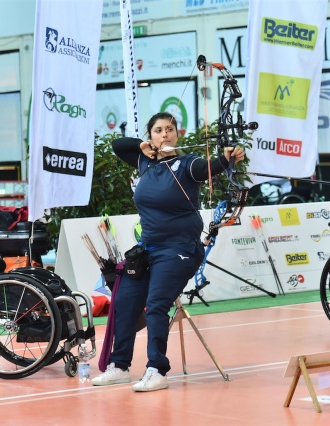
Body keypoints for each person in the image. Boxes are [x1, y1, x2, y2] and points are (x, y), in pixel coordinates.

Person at [91, 112, 245, 391]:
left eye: (170, 129)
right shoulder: (144, 162)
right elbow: (118, 145)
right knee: (124, 302)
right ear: (150, 136)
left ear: (177, 134)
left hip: (179, 249)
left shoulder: (188, 164)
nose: (165, 134)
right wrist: (141, 147)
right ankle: (120, 365)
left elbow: (209, 167)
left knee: (157, 303)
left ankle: (157, 370)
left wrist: (227, 157)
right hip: (148, 249)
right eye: (159, 130)